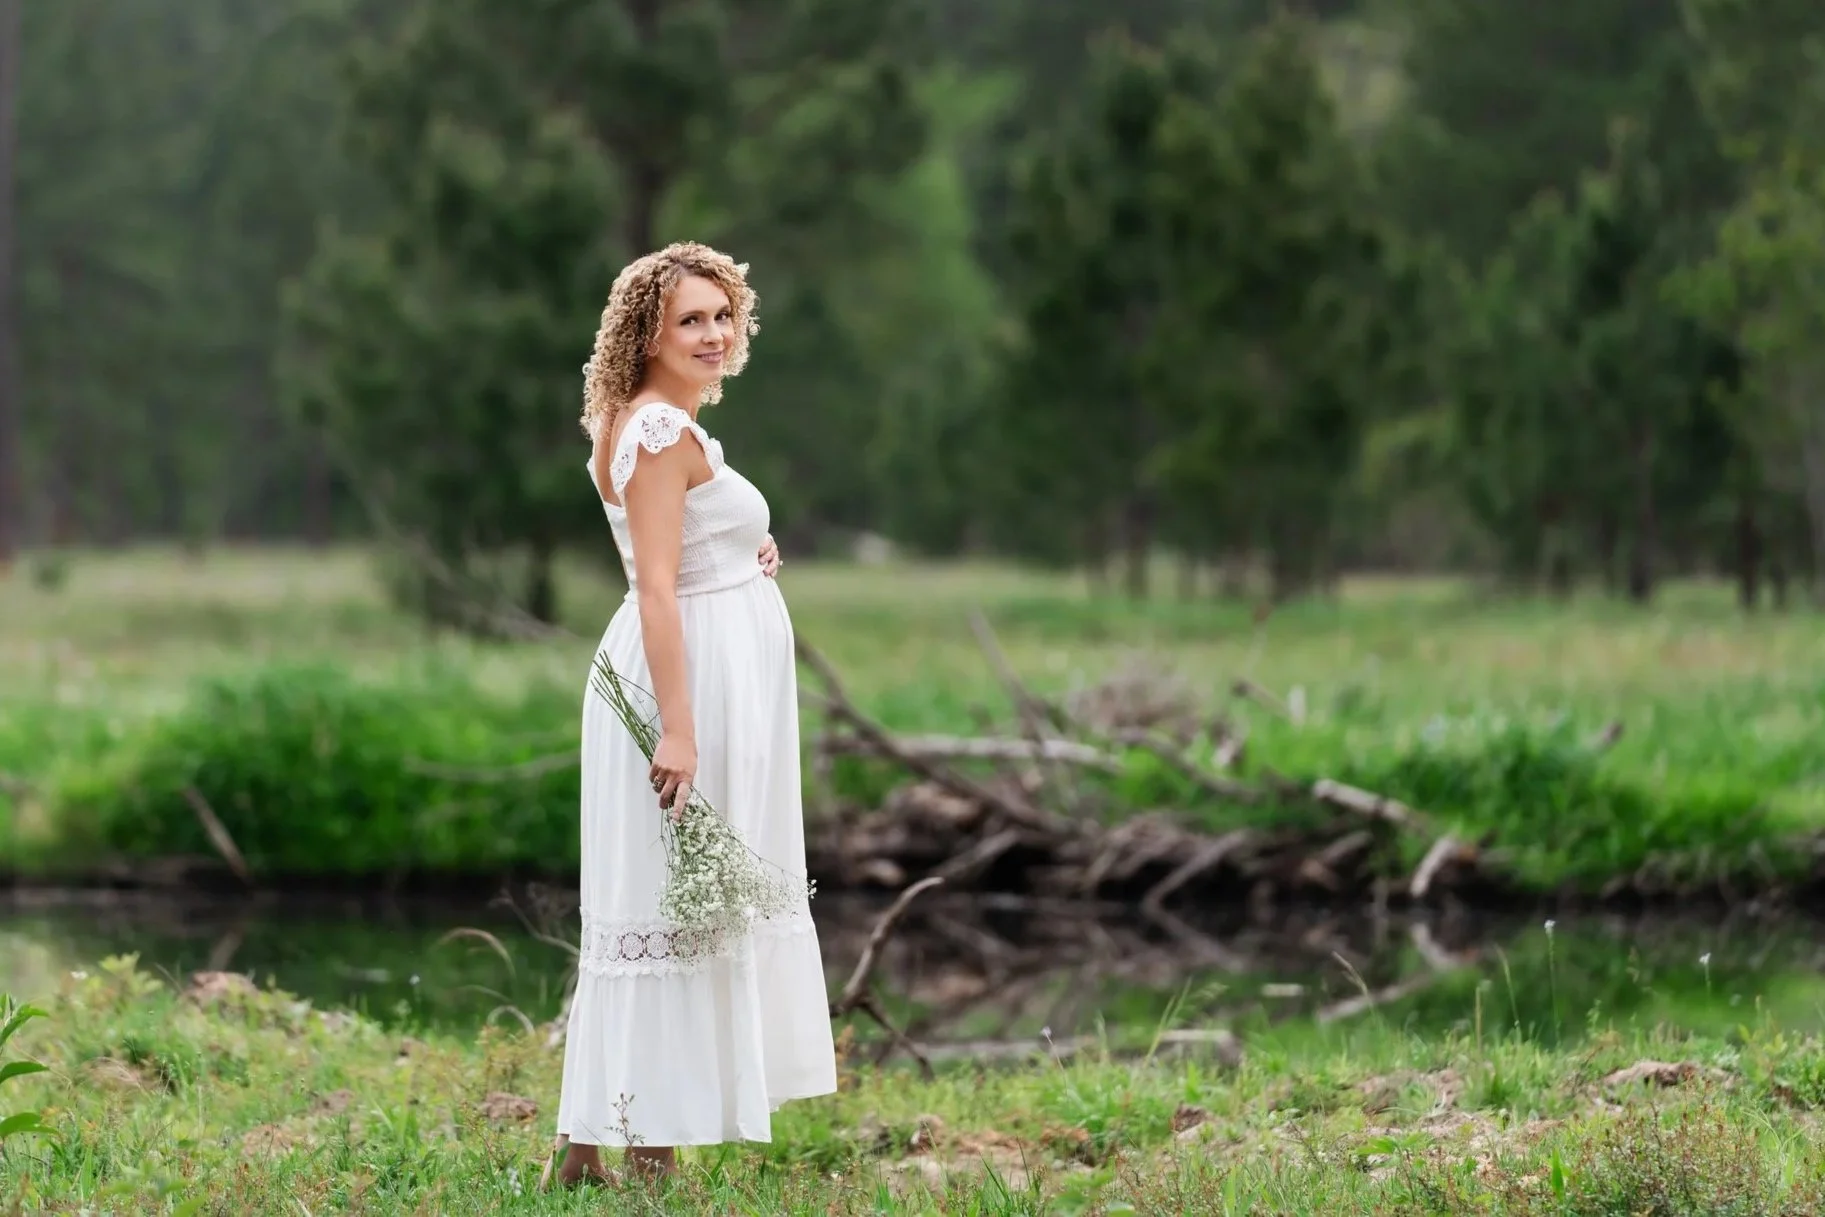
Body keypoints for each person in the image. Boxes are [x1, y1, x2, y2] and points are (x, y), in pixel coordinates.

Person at [544, 242, 836, 1188]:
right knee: (670, 906)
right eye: (691, 321)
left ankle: (583, 1149)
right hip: (683, 683)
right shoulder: (661, 432)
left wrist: (746, 549)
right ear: (648, 334)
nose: (714, 334)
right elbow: (657, 588)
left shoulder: (656, 423)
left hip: (708, 669)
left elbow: (677, 546)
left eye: (723, 315)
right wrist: (678, 726)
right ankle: (646, 1155)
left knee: (668, 902)